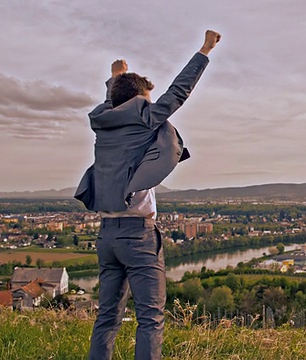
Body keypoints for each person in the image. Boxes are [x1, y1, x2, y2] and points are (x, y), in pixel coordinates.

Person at [75, 30, 221, 360]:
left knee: (107, 319)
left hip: (107, 236)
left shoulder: (103, 122)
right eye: (147, 101)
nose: (152, 106)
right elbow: (178, 92)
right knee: (150, 320)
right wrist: (204, 50)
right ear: (140, 101)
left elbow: (115, 102)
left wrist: (115, 78)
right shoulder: (143, 118)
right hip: (138, 238)